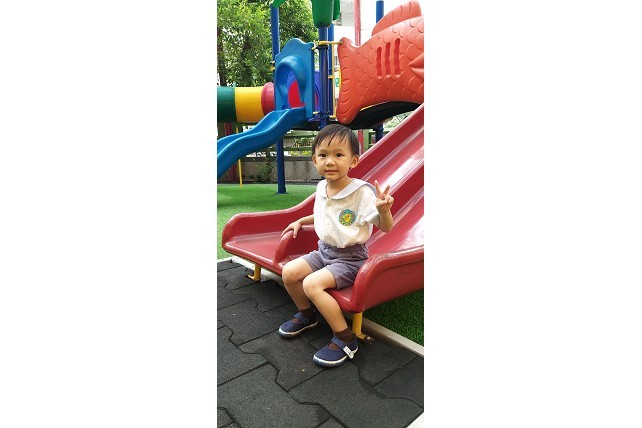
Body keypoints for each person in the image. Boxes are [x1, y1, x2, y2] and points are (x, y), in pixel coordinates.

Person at [278, 124, 394, 367]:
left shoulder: (361, 193)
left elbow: (386, 228)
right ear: (314, 160)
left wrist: (384, 211)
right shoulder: (322, 187)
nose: (330, 161)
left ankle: (345, 338)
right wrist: (300, 221)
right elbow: (324, 215)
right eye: (323, 155)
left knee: (311, 284)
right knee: (289, 272)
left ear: (353, 161)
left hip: (350, 258)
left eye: (339, 155)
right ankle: (307, 315)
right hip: (324, 251)